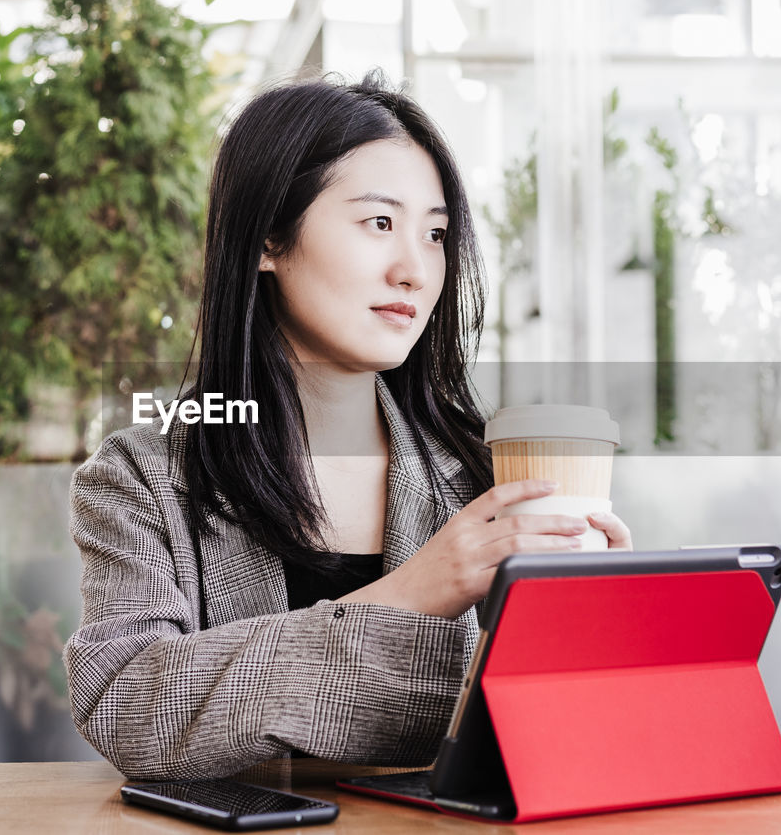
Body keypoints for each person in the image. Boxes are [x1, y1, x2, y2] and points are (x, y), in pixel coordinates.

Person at [64, 70, 632, 781]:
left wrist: (598, 621)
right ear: (269, 238)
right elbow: (126, 704)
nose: (415, 270)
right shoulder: (144, 478)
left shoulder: (491, 475)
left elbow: (565, 737)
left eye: (435, 234)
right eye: (380, 224)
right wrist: (412, 593)